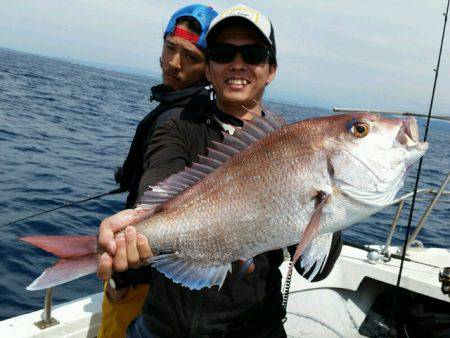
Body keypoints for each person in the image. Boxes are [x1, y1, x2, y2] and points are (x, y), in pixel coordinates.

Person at [98, 5, 342, 337]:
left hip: (254, 328)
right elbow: (157, 184)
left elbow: (316, 271)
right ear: (209, 68)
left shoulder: (296, 147)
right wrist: (136, 224)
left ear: (271, 70)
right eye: (224, 53)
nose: (237, 63)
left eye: (253, 54)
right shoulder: (179, 126)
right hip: (163, 326)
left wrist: (333, 201)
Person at [97, 5, 218, 338]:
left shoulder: (177, 119)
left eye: (190, 57)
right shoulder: (191, 111)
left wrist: (125, 279)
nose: (174, 63)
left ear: (209, 69)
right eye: (170, 48)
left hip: (141, 280)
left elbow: (156, 198)